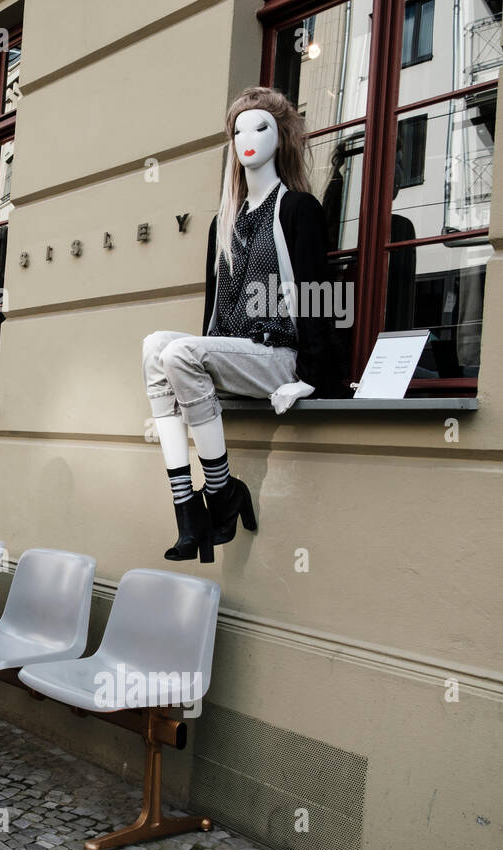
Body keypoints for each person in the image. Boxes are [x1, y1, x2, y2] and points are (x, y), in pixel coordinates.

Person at [141, 87, 347, 563]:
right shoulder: (224, 222)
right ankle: (188, 507)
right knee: (157, 346)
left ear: (282, 138)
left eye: (260, 128)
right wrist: (193, 378)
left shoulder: (298, 209)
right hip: (239, 354)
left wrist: (314, 380)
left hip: (282, 358)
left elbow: (320, 295)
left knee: (179, 353)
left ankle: (220, 493)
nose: (246, 139)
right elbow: (214, 312)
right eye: (238, 131)